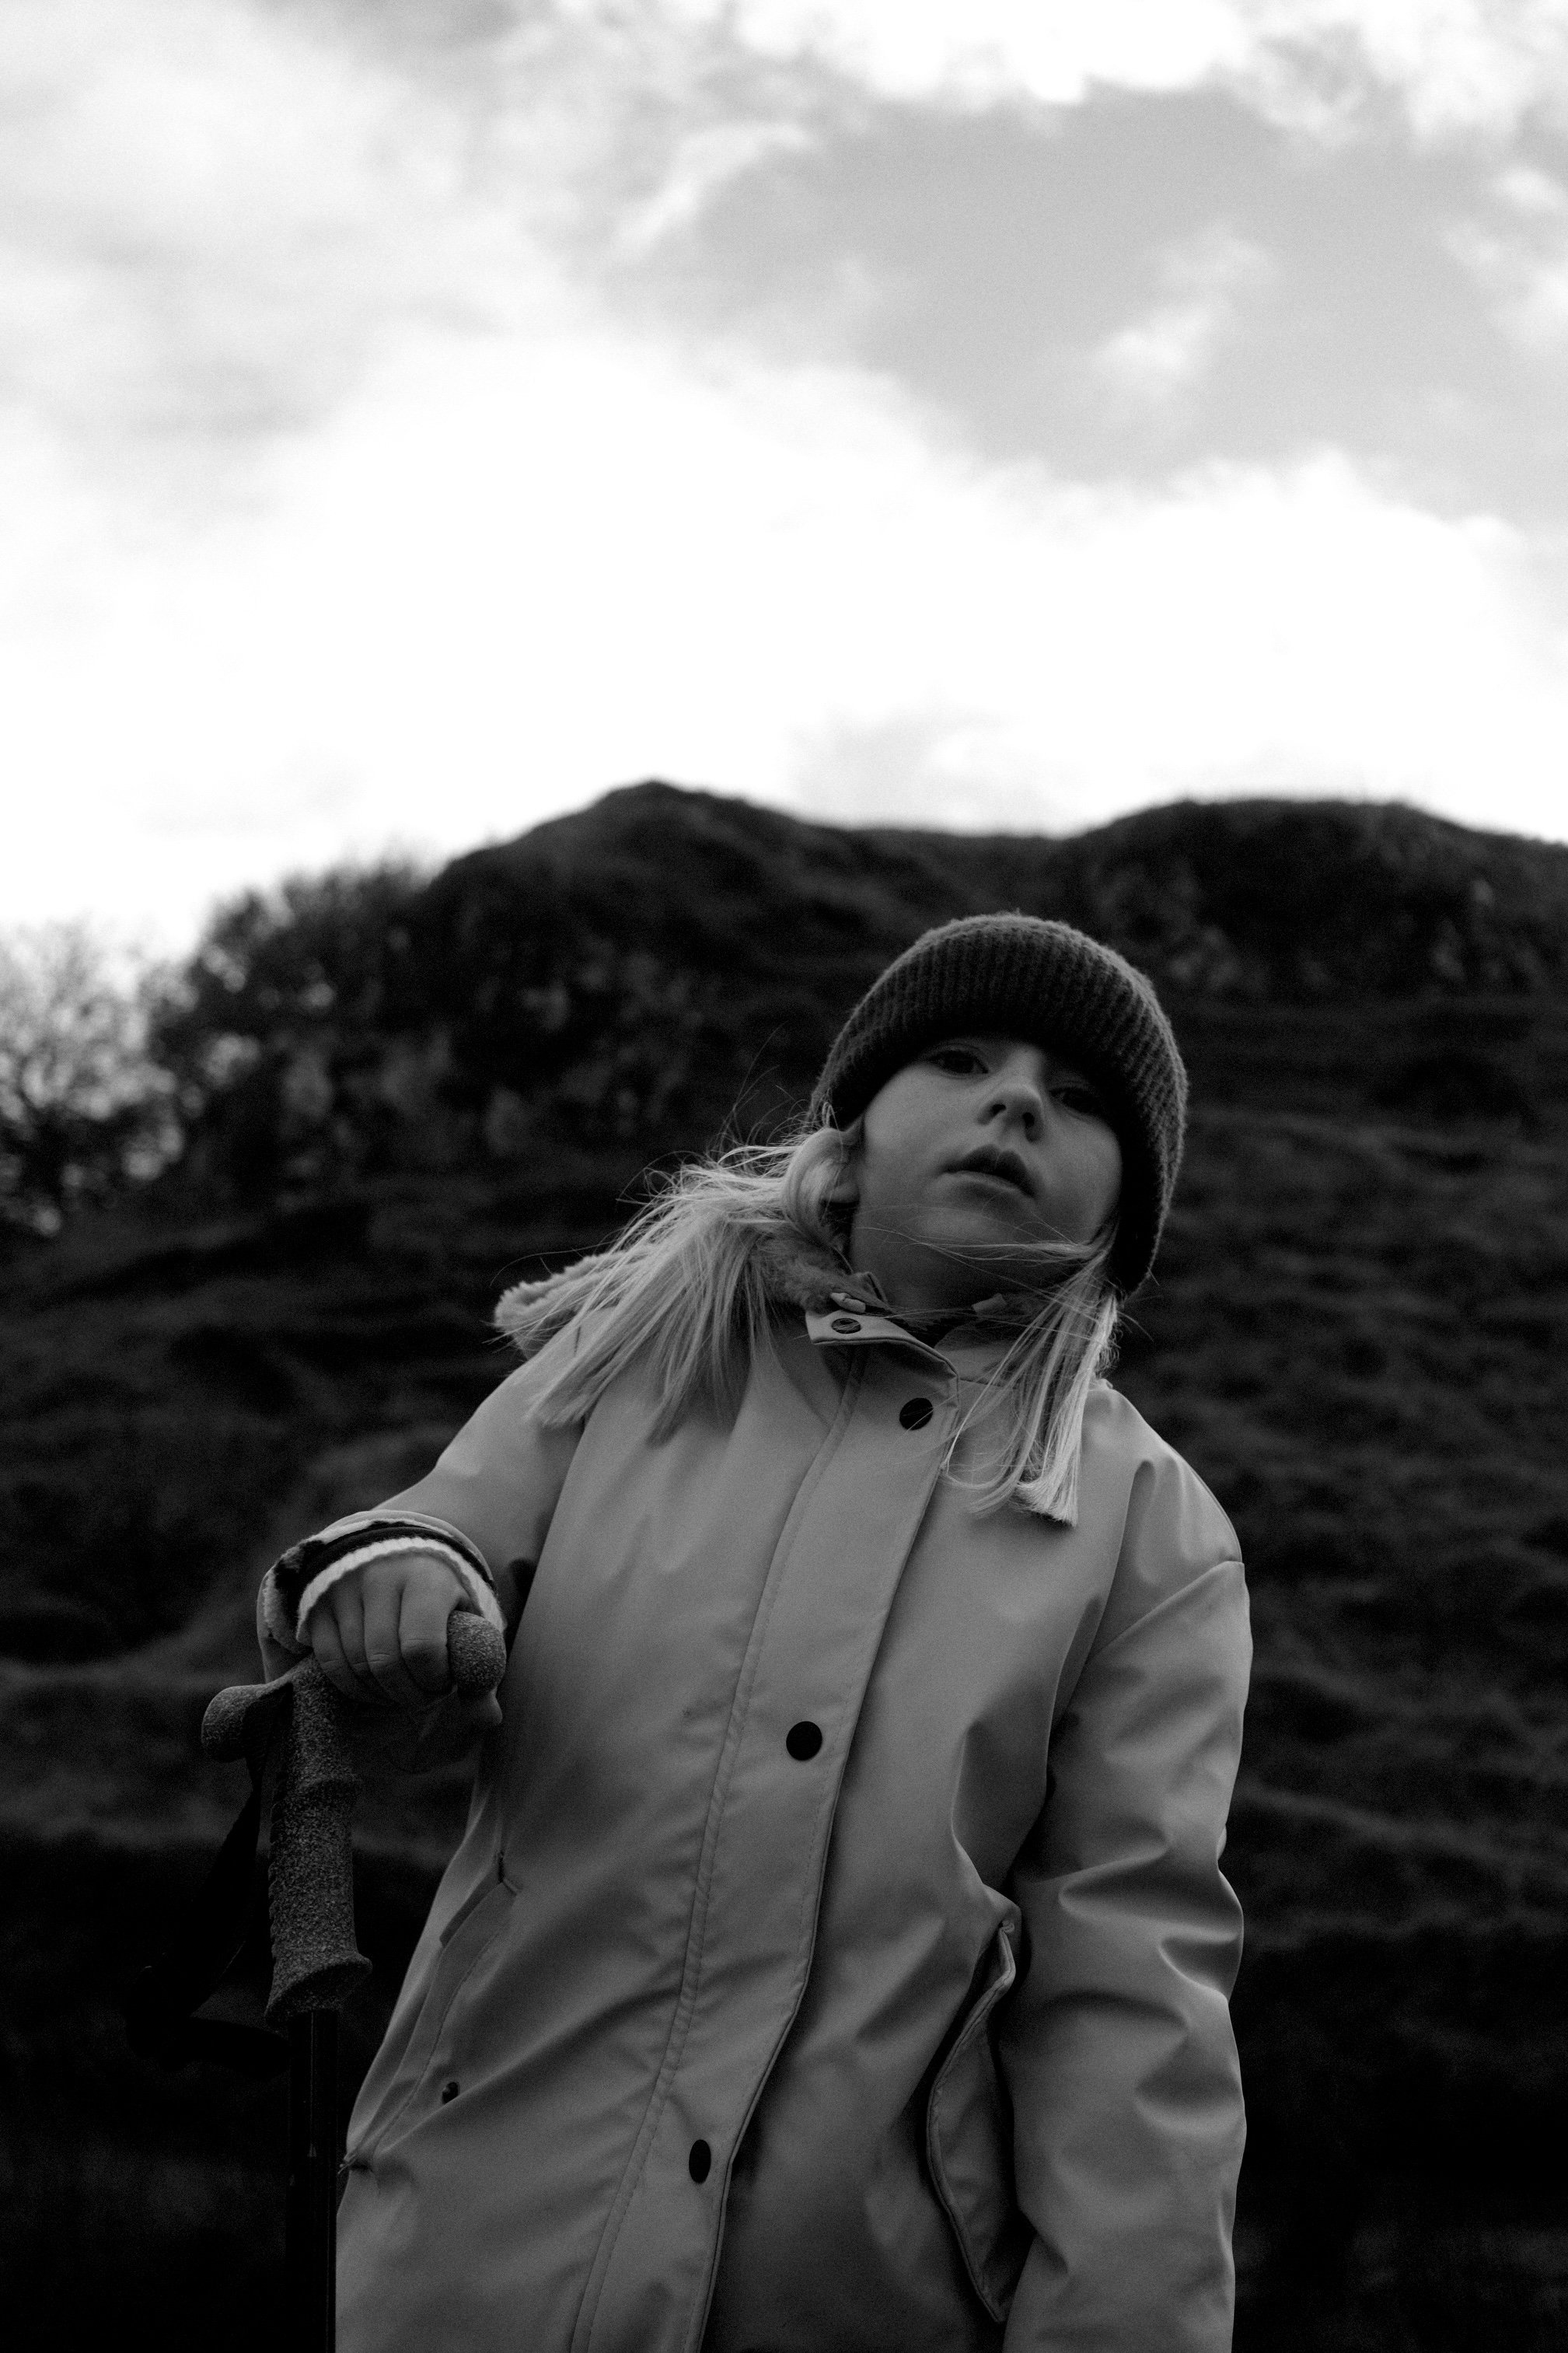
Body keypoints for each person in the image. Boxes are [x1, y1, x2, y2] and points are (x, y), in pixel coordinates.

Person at [257, 913, 1251, 2353]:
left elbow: (1131, 1992)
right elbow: (434, 1545)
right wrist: (393, 1581)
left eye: (1080, 1097)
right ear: (849, 1131)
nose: (1016, 1103)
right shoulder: (639, 1359)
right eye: (961, 1060)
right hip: (460, 2267)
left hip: (853, 2304)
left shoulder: (1151, 1531)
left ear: (1123, 1218)